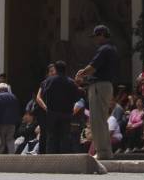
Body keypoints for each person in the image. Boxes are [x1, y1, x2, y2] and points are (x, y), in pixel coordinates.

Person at [75, 24, 118, 161]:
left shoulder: (104, 49)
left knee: (97, 121)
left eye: (96, 36)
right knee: (101, 120)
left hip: (99, 86)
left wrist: (81, 74)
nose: (95, 39)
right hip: (105, 86)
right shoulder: (112, 49)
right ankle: (106, 152)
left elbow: (93, 67)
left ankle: (102, 152)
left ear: (102, 35)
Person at [40, 60, 82, 154]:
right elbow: (77, 97)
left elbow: (44, 94)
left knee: (51, 136)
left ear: (56, 69)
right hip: (66, 113)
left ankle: (51, 157)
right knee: (65, 136)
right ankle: (64, 156)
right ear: (65, 69)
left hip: (52, 113)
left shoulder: (49, 81)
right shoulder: (71, 82)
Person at [0, 83, 21, 155]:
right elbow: (17, 110)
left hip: (2, 123)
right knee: (10, 140)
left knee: (1, 141)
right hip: (12, 123)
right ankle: (12, 155)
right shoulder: (13, 97)